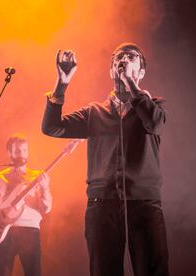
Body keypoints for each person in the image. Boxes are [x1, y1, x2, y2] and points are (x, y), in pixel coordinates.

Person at [42, 43, 169, 276]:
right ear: (111, 71)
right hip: (102, 205)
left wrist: (130, 84)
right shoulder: (94, 113)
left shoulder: (154, 107)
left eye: (131, 57)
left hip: (144, 204)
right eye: (118, 57)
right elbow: (52, 127)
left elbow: (154, 123)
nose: (124, 59)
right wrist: (62, 83)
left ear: (141, 72)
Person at [0, 134, 52, 276]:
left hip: (30, 230)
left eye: (25, 150)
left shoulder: (37, 177)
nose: (22, 154)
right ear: (10, 153)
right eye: (18, 151)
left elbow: (46, 208)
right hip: (3, 232)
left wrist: (44, 188)